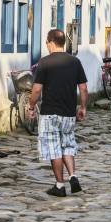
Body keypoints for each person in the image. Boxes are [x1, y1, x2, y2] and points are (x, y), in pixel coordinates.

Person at [28, 29, 88, 197]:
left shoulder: (45, 62)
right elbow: (83, 88)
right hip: (69, 113)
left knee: (54, 150)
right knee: (68, 145)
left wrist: (31, 107)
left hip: (50, 113)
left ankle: (60, 185)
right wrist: (82, 108)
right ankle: (73, 176)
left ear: (51, 42)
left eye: (47, 43)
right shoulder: (75, 62)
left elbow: (37, 90)